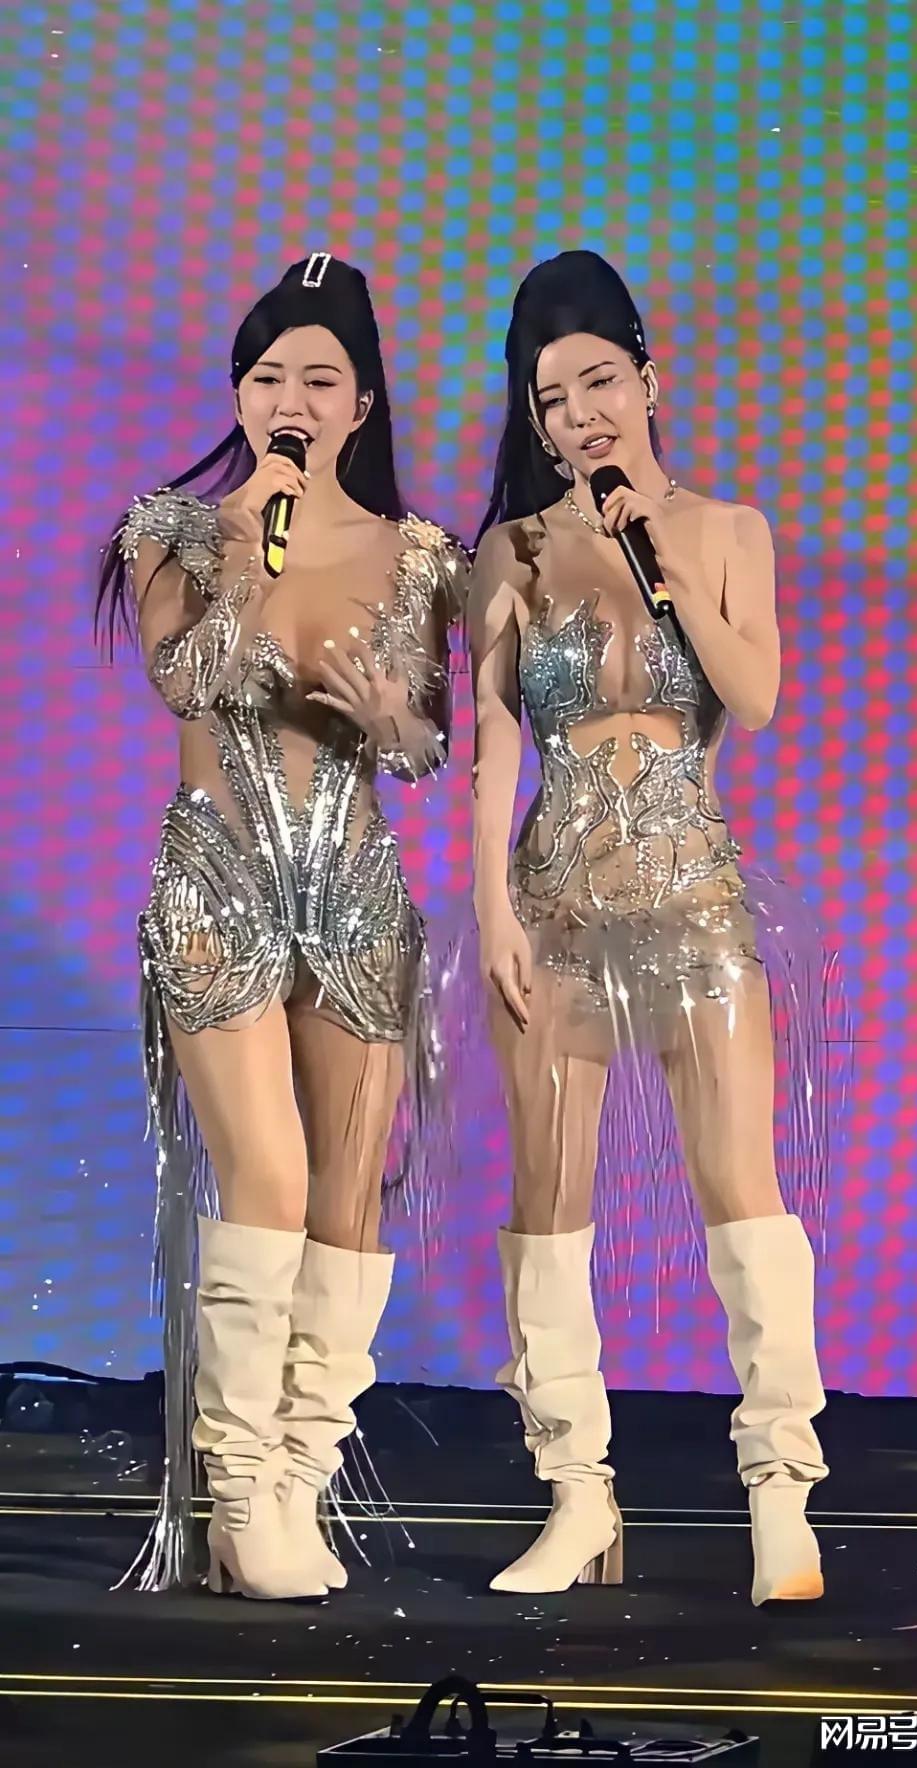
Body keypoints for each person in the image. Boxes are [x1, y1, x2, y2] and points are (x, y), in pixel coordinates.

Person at [95, 252, 466, 1600]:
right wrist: (252, 544)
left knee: (354, 1195)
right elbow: (184, 677)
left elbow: (427, 747)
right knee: (268, 1178)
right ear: (241, 396)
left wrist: (392, 719)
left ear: (362, 403)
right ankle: (238, 1489)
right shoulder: (174, 531)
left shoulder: (420, 555)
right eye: (266, 378)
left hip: (353, 895)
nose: (289, 401)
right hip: (220, 887)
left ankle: (303, 1475)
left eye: (318, 378)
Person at [468, 250, 829, 1604]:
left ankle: (781, 1493)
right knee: (546, 1201)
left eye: (600, 383)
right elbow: (497, 740)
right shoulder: (513, 550)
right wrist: (491, 905)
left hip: (692, 895)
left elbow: (758, 696)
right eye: (552, 400)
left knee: (741, 1185)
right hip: (557, 900)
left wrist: (662, 556)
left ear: (648, 381)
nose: (581, 417)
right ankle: (577, 1494)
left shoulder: (727, 531)